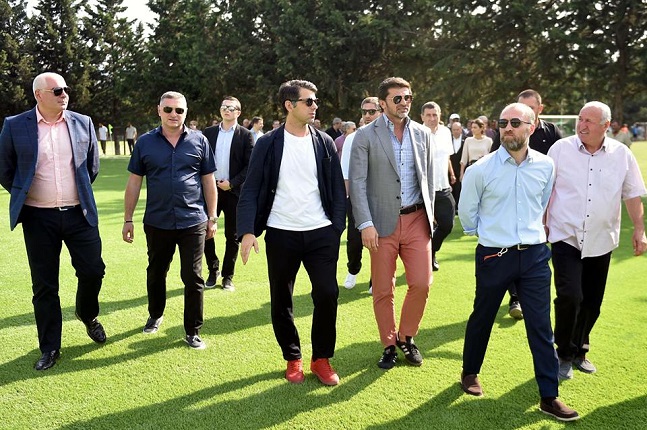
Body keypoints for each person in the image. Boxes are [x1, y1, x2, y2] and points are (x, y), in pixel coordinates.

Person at [458, 102, 579, 422]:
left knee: (540, 325)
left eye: (515, 122)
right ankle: (469, 372)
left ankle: (549, 396)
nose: (508, 128)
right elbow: (467, 213)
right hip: (494, 255)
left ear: (532, 126)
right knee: (483, 315)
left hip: (535, 255)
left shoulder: (546, 166)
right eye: (503, 123)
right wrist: (491, 234)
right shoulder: (480, 169)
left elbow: (543, 202)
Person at [237, 80, 345, 386]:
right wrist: (247, 231)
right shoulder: (267, 143)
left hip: (321, 232)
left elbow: (337, 188)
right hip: (281, 233)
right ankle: (293, 357)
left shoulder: (324, 142)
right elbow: (251, 188)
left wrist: (336, 227)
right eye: (308, 101)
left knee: (327, 294)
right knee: (281, 299)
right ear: (289, 105)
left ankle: (321, 359)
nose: (315, 106)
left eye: (315, 101)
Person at [0, 72, 107, 371]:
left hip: (79, 214)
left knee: (93, 271)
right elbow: (5, 169)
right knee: (45, 286)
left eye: (65, 89)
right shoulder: (15, 125)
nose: (64, 94)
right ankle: (50, 348)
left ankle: (87, 314)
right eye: (57, 90)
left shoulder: (83, 122)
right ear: (39, 95)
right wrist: (27, 194)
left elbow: (91, 168)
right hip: (38, 218)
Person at [546, 101, 646, 380]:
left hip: (602, 238)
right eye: (580, 119)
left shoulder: (622, 154)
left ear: (606, 126)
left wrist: (639, 230)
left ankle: (580, 349)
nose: (582, 125)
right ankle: (563, 353)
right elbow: (545, 189)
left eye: (589, 121)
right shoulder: (560, 149)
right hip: (565, 235)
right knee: (569, 296)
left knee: (592, 301)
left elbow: (632, 194)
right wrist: (541, 224)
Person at [349, 77, 435, 370]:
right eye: (397, 98)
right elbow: (357, 183)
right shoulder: (364, 135)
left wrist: (431, 215)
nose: (404, 103)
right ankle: (388, 344)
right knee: (383, 289)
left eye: (408, 97)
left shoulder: (423, 134)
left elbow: (428, 177)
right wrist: (365, 223)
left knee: (421, 283)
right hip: (380, 223)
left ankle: (406, 336)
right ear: (383, 103)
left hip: (417, 220)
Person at [122, 91, 218, 350]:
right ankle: (155, 314)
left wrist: (212, 217)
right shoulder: (145, 143)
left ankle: (193, 330)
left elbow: (208, 181)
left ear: (185, 112)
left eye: (179, 110)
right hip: (157, 220)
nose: (174, 114)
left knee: (193, 276)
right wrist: (128, 219)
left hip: (193, 221)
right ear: (159, 111)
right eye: (168, 109)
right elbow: (134, 182)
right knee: (156, 272)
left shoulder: (199, 140)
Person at [491, 89, 564, 319]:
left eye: (530, 108)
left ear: (539, 109)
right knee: (512, 246)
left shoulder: (552, 132)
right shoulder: (508, 130)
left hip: (537, 201)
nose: (522, 112)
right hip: (509, 199)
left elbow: (559, 165)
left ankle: (528, 296)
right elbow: (494, 161)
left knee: (531, 252)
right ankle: (515, 297)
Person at [202, 96, 254, 291]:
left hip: (233, 192)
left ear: (238, 112)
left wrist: (232, 183)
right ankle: (213, 269)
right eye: (224, 107)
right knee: (207, 232)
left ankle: (227, 276)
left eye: (231, 108)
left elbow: (250, 165)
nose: (226, 110)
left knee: (232, 236)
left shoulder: (245, 135)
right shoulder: (208, 133)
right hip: (211, 190)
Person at [340, 97, 381, 289]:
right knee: (355, 240)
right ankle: (353, 270)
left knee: (381, 242)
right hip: (357, 198)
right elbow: (346, 172)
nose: (367, 116)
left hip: (382, 198)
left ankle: (376, 279)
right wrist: (347, 199)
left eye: (372, 112)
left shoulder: (390, 137)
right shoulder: (351, 138)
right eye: (365, 112)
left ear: (381, 111)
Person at [420, 101, 456, 271]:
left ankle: (431, 252)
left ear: (440, 115)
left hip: (443, 188)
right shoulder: (416, 133)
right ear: (422, 117)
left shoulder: (446, 132)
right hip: (422, 191)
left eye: (435, 114)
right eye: (428, 115)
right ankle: (425, 259)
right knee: (422, 229)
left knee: (447, 225)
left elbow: (447, 156)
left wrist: (452, 173)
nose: (432, 118)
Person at [449, 121, 465, 209]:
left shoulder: (466, 140)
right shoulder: (448, 140)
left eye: (457, 129)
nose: (455, 131)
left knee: (460, 189)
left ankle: (459, 207)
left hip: (462, 169)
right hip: (450, 169)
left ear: (461, 130)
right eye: (454, 130)